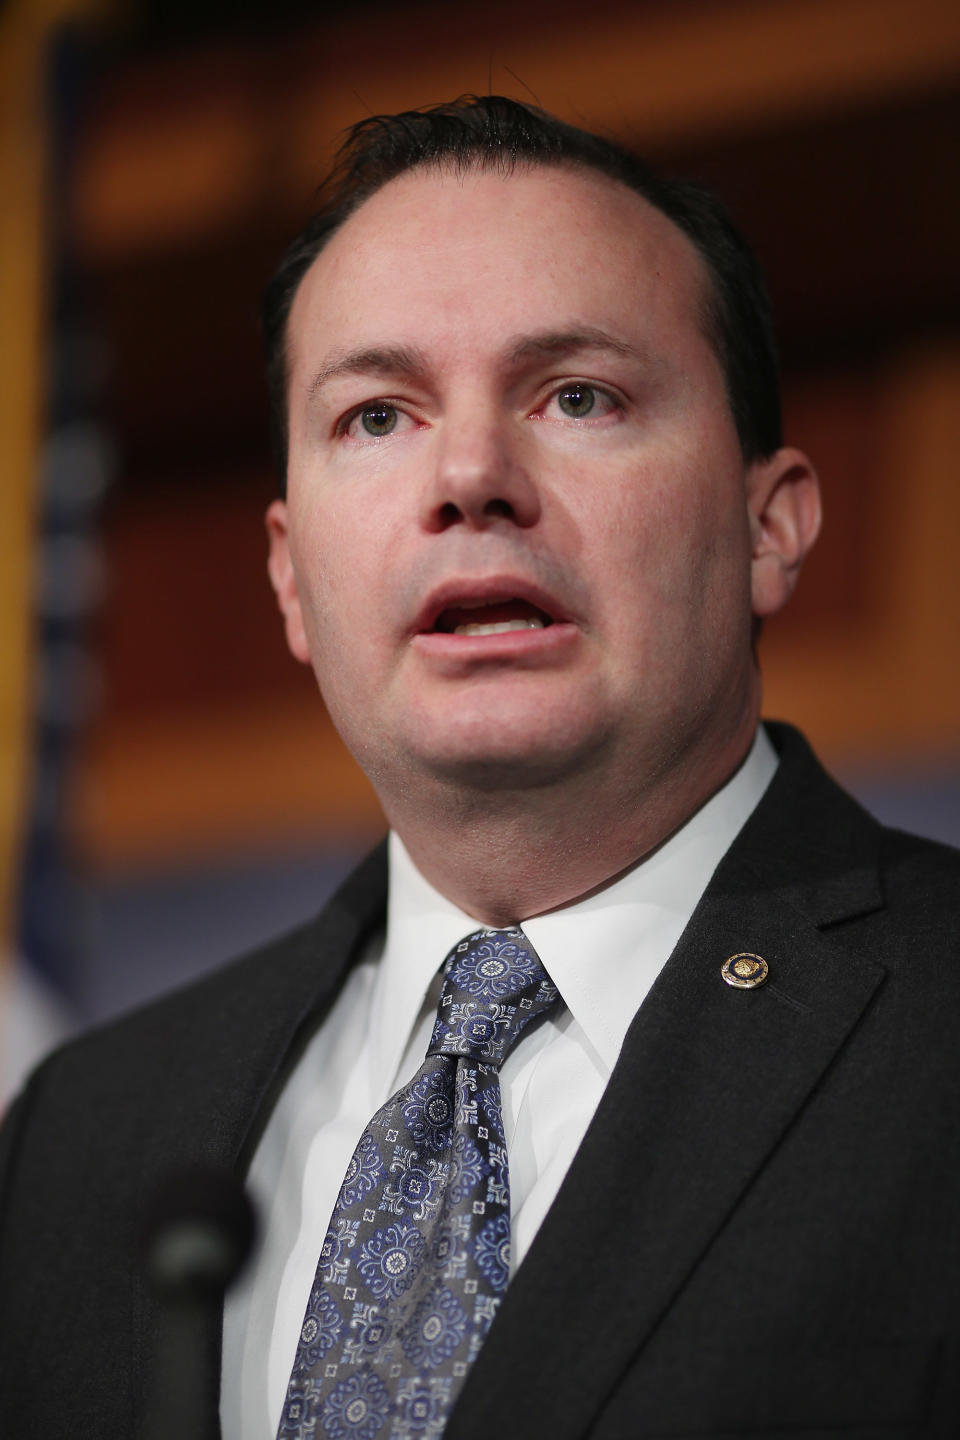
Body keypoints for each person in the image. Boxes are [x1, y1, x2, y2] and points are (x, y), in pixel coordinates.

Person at [1, 95, 958, 1440]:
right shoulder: (77, 1136)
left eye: (579, 395)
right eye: (378, 415)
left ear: (769, 525)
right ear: (289, 575)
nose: (469, 477)